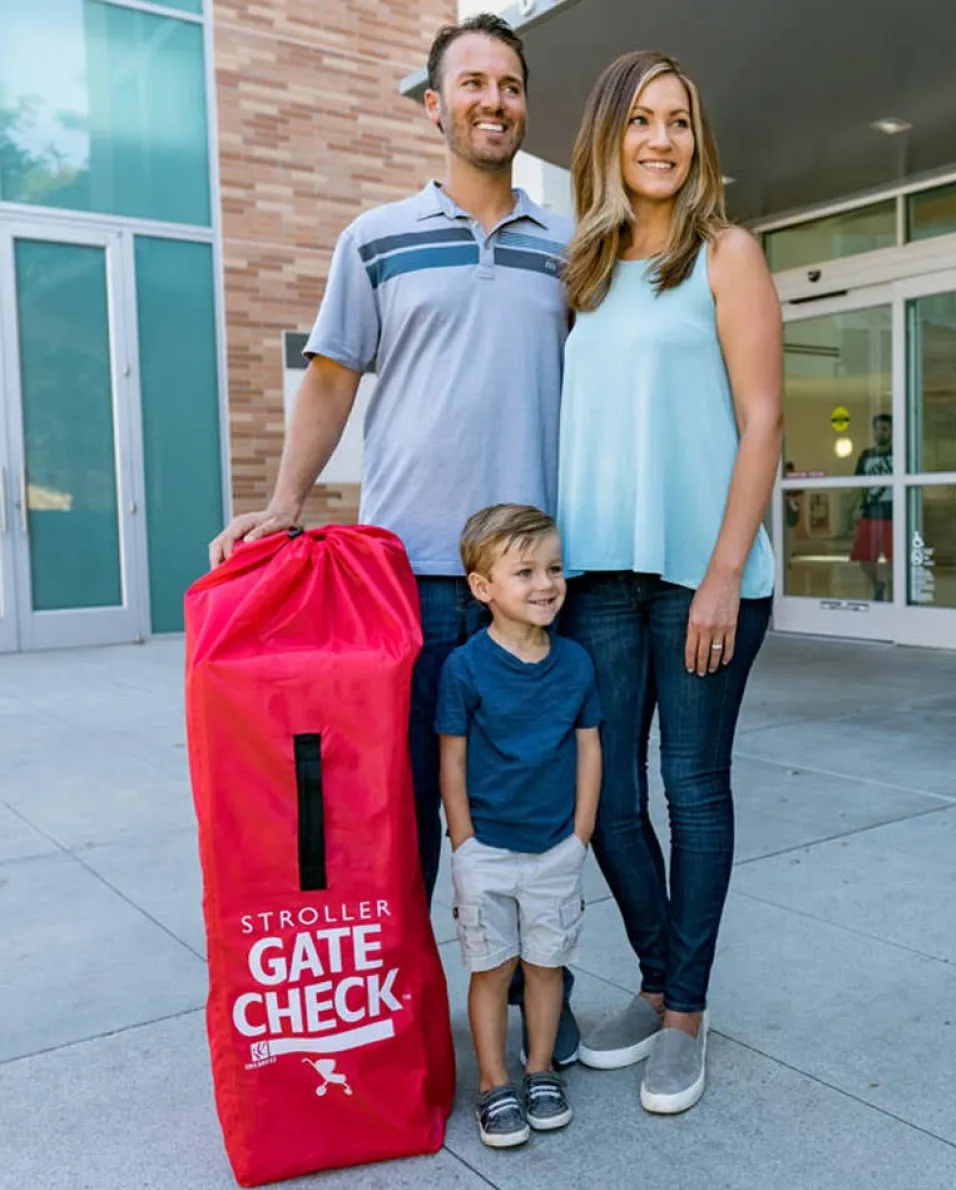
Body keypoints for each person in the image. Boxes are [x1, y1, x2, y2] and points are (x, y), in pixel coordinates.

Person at [206, 13, 582, 1065]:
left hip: (532, 585)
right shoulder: (373, 237)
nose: (492, 101)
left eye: (508, 84)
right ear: (435, 104)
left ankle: (530, 1002)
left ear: (523, 105)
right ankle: (403, 1018)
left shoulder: (567, 244)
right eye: (472, 84)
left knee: (533, 801)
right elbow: (331, 376)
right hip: (406, 582)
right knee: (406, 816)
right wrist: (285, 502)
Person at [555, 51, 783, 1114]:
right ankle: (657, 975)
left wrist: (721, 573)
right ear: (608, 137)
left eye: (678, 121)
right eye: (641, 120)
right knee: (603, 801)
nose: (660, 139)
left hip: (704, 574)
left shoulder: (725, 253)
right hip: (597, 575)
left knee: (692, 788)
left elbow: (763, 419)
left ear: (697, 142)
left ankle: (683, 1011)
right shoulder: (584, 271)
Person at [436, 505, 601, 1148]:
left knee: (545, 967)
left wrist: (580, 833)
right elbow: (452, 756)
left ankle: (539, 1072)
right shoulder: (465, 668)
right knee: (489, 969)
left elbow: (589, 747)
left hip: (556, 847)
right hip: (487, 852)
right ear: (483, 588)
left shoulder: (577, 663)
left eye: (554, 568)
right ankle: (493, 1083)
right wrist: (464, 841)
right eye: (525, 571)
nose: (545, 584)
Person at [850, 412, 893, 601]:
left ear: (892, 431)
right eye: (876, 429)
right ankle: (878, 584)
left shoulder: (899, 454)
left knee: (895, 559)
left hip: (893, 514)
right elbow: (858, 483)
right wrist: (855, 507)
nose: (880, 433)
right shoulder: (866, 456)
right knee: (864, 558)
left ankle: (895, 598)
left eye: (884, 429)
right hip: (870, 513)